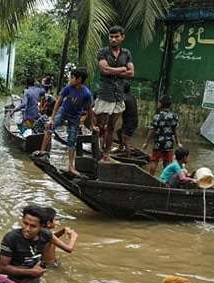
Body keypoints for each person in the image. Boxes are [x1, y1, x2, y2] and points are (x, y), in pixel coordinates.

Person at [0, 205, 77, 283]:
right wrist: (31, 272)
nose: (27, 229)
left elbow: (68, 249)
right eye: (25, 223)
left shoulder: (46, 235)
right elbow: (1, 269)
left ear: (41, 226)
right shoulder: (11, 238)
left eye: (33, 226)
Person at [37, 68, 97, 177]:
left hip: (75, 116)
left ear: (79, 79)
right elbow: (58, 102)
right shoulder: (68, 88)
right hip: (63, 111)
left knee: (72, 140)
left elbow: (89, 110)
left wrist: (93, 125)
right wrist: (52, 118)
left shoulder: (86, 93)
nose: (70, 79)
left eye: (72, 77)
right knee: (49, 127)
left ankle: (71, 166)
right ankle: (42, 152)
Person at [95, 25, 134, 162]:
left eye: (116, 36)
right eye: (111, 36)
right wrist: (122, 69)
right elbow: (103, 70)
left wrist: (113, 70)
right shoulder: (103, 52)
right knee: (101, 126)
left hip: (118, 94)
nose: (113, 39)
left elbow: (131, 73)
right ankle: (98, 149)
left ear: (122, 37)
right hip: (105, 93)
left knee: (111, 126)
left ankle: (106, 153)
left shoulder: (126, 53)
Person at [143, 95, 180, 176]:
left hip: (158, 143)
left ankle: (151, 177)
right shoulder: (174, 116)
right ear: (170, 105)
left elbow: (152, 130)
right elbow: (175, 130)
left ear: (160, 104)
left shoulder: (157, 117)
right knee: (167, 163)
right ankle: (165, 180)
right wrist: (178, 142)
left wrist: (146, 142)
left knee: (154, 161)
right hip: (169, 143)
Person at [117, 83, 138, 155]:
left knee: (126, 138)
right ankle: (121, 147)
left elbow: (119, 110)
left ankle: (128, 156)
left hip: (129, 122)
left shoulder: (124, 98)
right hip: (132, 121)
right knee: (119, 132)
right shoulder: (132, 96)